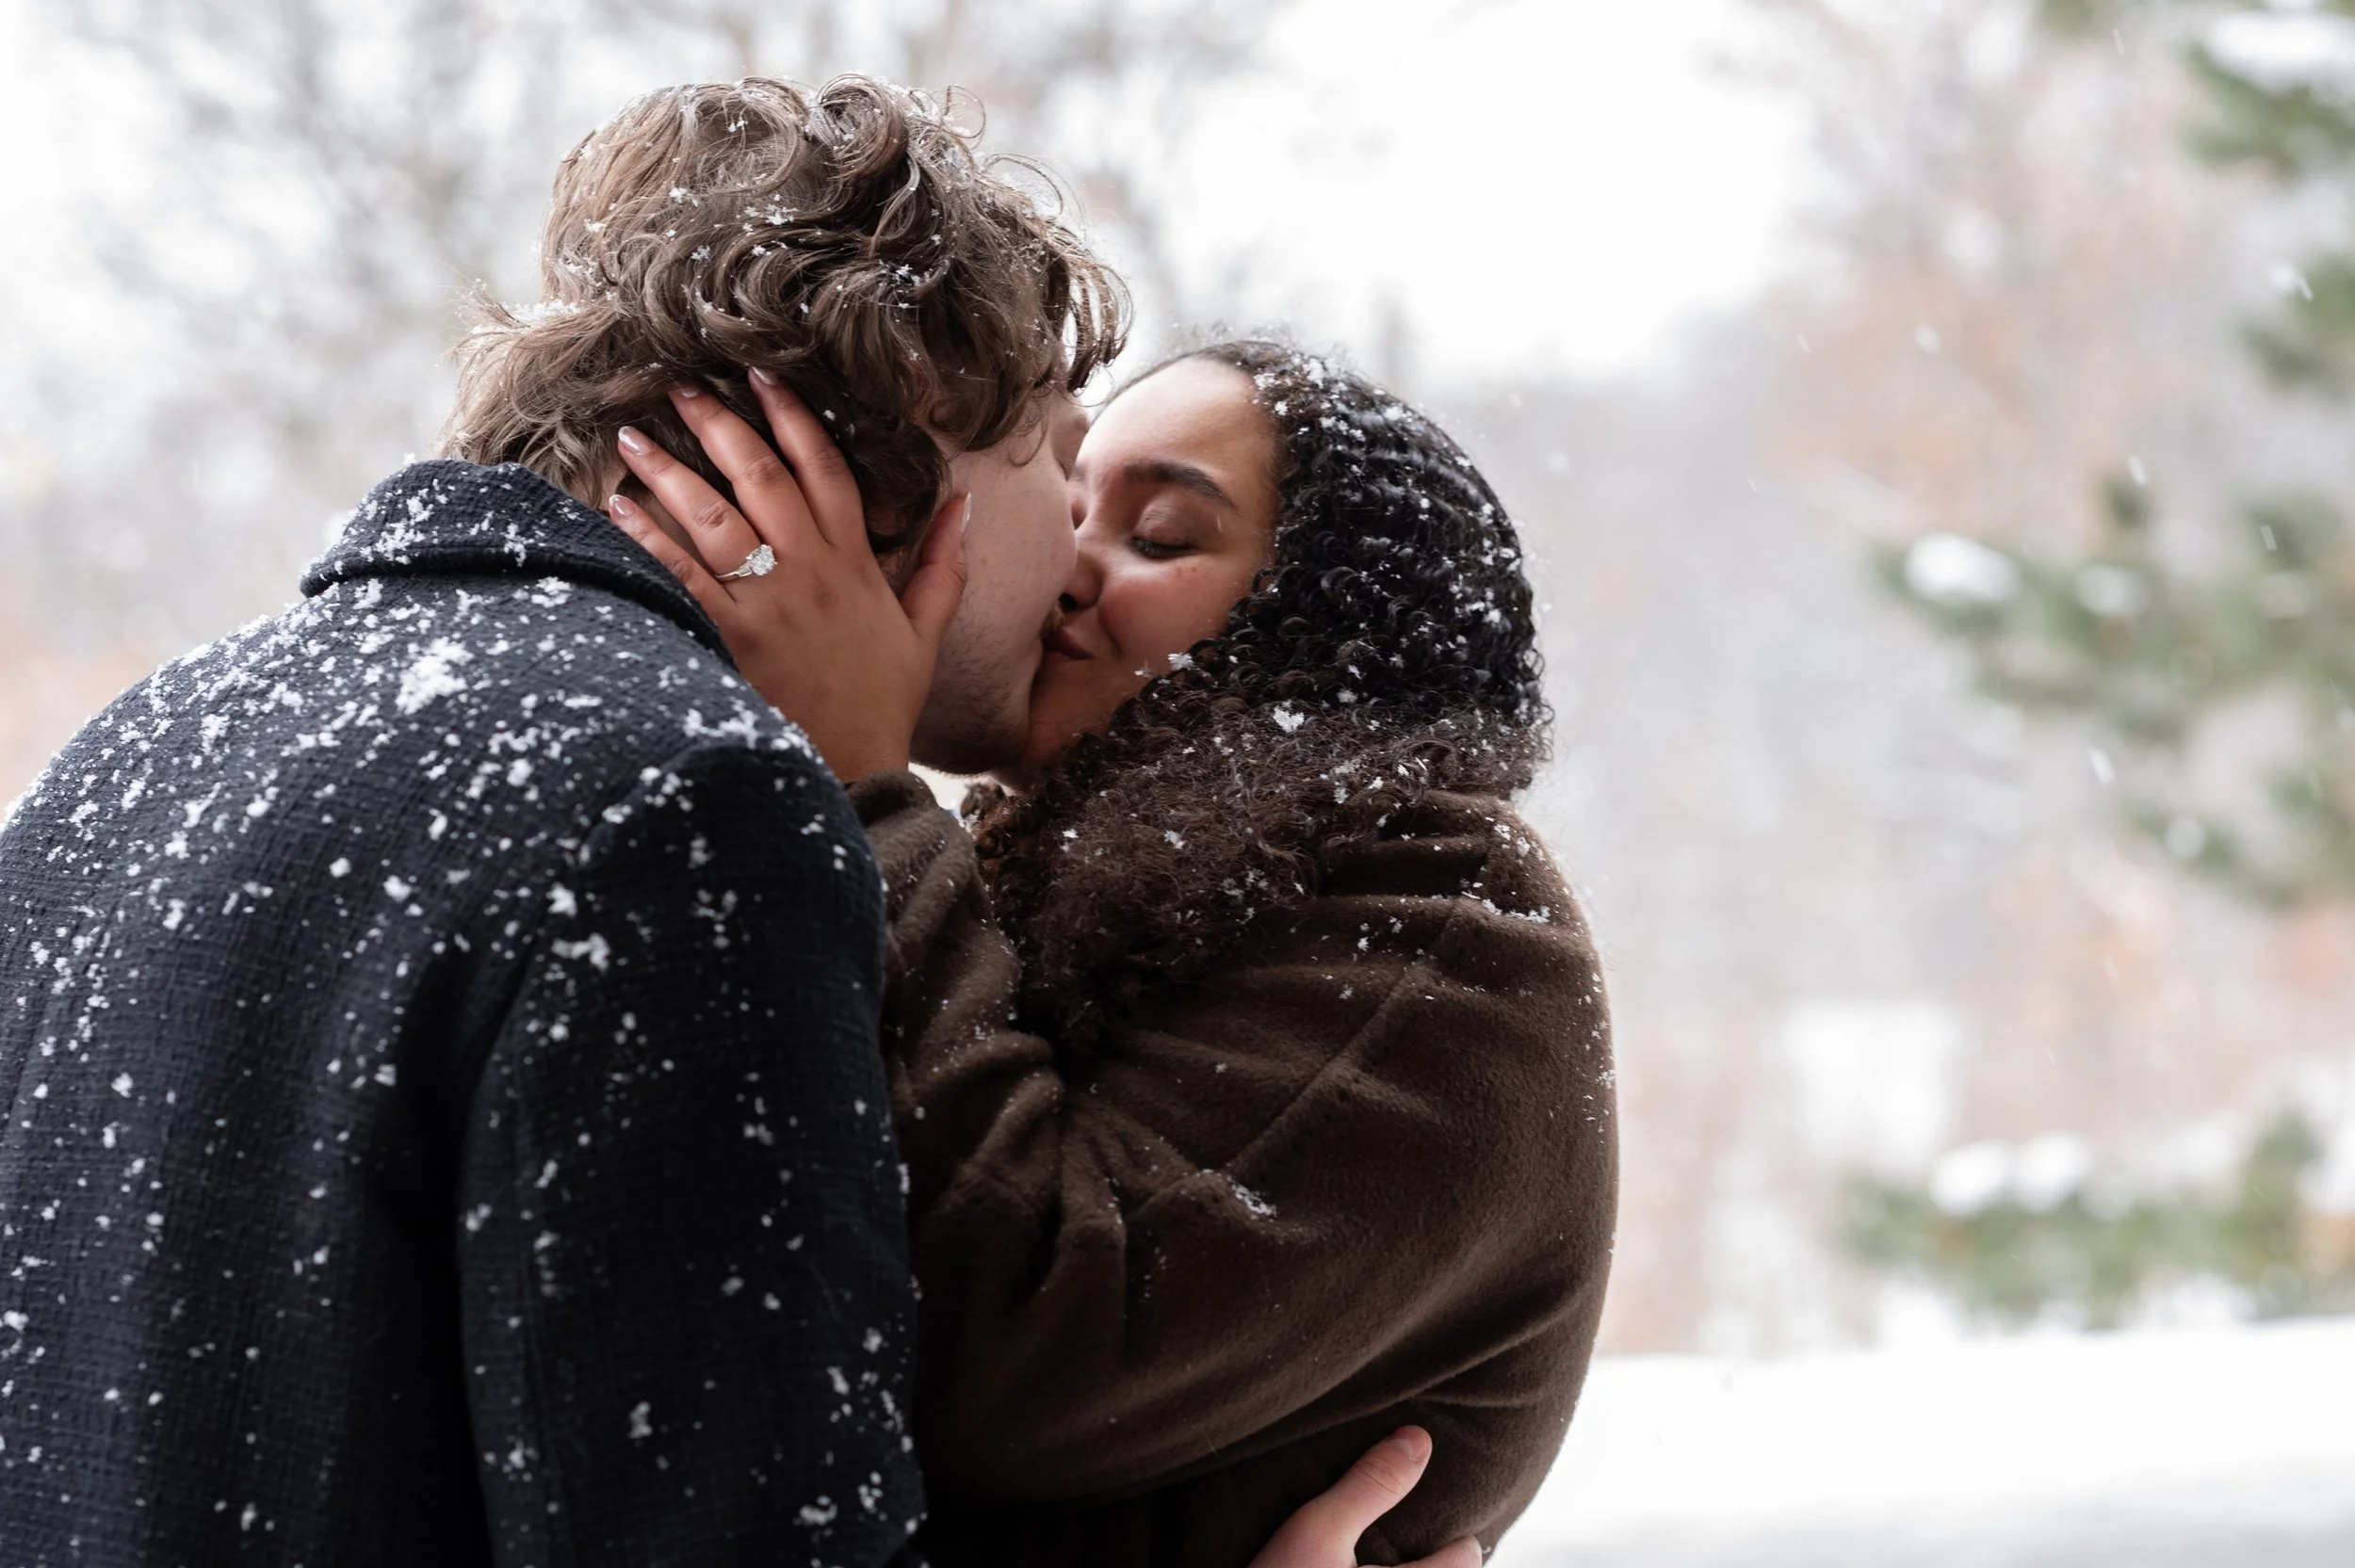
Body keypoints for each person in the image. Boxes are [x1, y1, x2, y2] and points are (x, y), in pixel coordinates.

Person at [0, 71, 1468, 1568]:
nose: (1072, 558)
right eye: (1051, 458)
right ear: (917, 439)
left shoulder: (134, 748)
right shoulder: (690, 810)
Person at [612, 338, 1618, 1565]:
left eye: (1157, 537)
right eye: (1068, 508)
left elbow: (1022, 1353)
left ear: (1323, 625)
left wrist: (862, 777)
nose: (1062, 572)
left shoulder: (1446, 911)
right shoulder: (1058, 883)